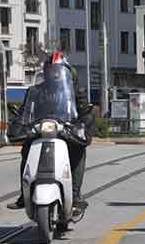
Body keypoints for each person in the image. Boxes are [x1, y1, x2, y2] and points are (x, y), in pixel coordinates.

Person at [7, 53, 94, 211]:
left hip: (66, 131)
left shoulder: (76, 92)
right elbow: (25, 111)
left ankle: (75, 194)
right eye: (50, 70)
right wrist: (19, 123)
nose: (54, 73)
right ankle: (23, 194)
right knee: (26, 149)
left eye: (57, 70)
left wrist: (85, 123)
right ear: (45, 72)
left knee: (78, 150)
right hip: (40, 130)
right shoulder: (35, 91)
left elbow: (84, 113)